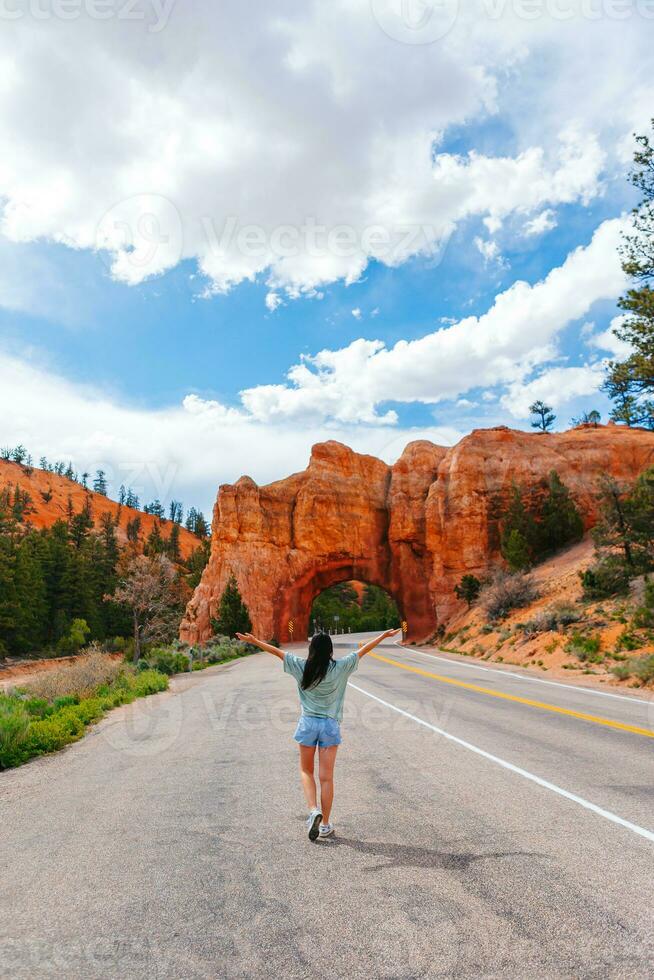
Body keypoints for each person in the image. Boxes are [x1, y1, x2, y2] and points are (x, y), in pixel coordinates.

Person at [236, 627, 401, 841]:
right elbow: (363, 651)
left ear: (311, 649)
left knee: (306, 771)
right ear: (331, 650)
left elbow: (276, 652)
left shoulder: (302, 667)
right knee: (326, 778)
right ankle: (325, 824)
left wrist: (254, 641)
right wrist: (383, 636)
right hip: (330, 727)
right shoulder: (341, 668)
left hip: (308, 724)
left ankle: (313, 809)